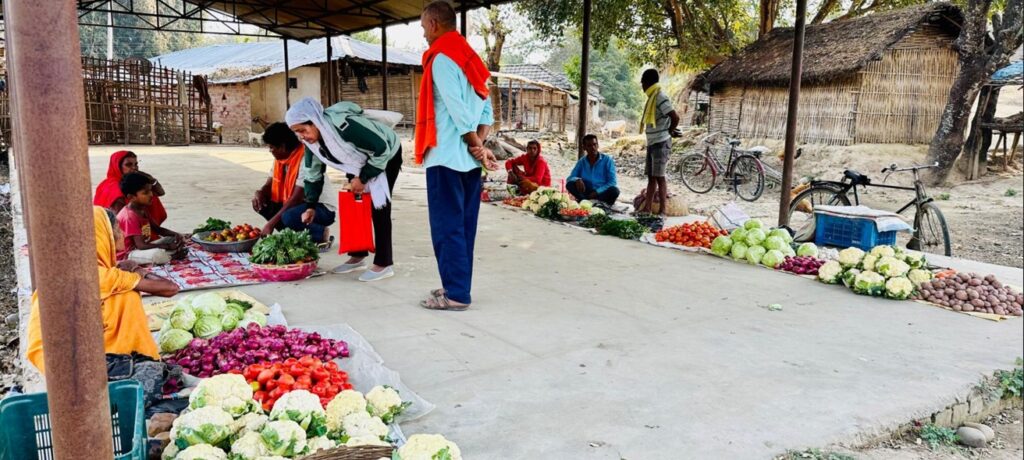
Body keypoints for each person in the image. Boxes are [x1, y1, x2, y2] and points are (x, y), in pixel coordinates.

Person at [27, 207, 180, 374]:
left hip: (56, 364)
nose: (122, 233)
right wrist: (137, 269)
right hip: (84, 368)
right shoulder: (101, 276)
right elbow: (170, 288)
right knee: (126, 295)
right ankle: (134, 362)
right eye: (118, 229)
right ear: (102, 235)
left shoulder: (65, 270)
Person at [416, 0, 497, 311]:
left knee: (447, 227)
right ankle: (457, 285)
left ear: (435, 24)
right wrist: (480, 143)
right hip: (468, 161)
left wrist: (474, 141)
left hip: (447, 156)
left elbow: (455, 107)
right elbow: (485, 106)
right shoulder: (470, 58)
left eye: (424, 28)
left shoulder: (441, 59)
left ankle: (457, 295)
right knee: (464, 227)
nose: (424, 35)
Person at [286, 98, 403, 282]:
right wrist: (311, 205)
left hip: (387, 154)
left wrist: (363, 178)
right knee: (354, 204)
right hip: (356, 160)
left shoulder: (345, 126)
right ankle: (358, 255)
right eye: (296, 133)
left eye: (303, 130)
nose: (302, 136)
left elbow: (381, 148)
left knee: (379, 208)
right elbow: (313, 174)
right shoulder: (311, 144)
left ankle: (383, 263)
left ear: (315, 121)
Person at [117, 172, 187, 264]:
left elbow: (157, 229)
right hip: (130, 254)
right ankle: (172, 256)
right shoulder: (129, 216)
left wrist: (177, 234)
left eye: (150, 190)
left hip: (143, 248)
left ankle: (168, 255)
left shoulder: (142, 209)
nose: (151, 195)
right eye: (145, 193)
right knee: (157, 255)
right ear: (131, 197)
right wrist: (167, 246)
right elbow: (141, 245)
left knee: (173, 239)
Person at [638, 69, 680, 215]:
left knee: (660, 177)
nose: (642, 85)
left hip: (661, 142)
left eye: (642, 82)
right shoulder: (652, 98)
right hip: (652, 142)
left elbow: (674, 117)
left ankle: (663, 211)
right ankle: (647, 208)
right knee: (651, 177)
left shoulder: (660, 97)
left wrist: (669, 131)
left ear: (648, 82)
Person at [253, 122, 308, 236]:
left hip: (317, 206)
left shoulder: (305, 158)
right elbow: (269, 184)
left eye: (271, 147)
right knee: (261, 204)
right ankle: (291, 234)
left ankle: (318, 233)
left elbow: (296, 198)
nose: (270, 151)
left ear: (282, 146)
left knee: (288, 216)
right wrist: (260, 193)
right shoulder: (280, 160)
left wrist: (270, 224)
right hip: (293, 202)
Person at [93, 150, 168, 224]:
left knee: (148, 192)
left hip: (135, 226)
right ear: (117, 166)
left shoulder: (132, 180)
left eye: (136, 164)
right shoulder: (114, 187)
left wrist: (150, 178)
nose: (134, 168)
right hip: (125, 230)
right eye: (128, 165)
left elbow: (161, 192)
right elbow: (119, 222)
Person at [567, 134, 620, 206]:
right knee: (570, 184)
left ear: (598, 145)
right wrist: (577, 179)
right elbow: (570, 178)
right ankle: (584, 201)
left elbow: (612, 181)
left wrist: (597, 191)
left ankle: (594, 203)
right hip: (586, 192)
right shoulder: (582, 162)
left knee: (615, 191)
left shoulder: (607, 160)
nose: (593, 148)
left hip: (601, 192)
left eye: (595, 144)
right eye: (589, 146)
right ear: (584, 148)